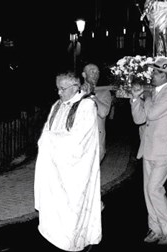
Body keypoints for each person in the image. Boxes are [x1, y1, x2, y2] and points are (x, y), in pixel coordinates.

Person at [34, 71, 101, 251]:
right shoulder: (57, 105)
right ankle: (57, 240)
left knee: (73, 212)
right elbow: (48, 131)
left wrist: (50, 141)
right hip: (56, 169)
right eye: (57, 88)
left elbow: (80, 140)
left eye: (62, 89)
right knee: (56, 208)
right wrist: (48, 141)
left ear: (74, 88)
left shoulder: (87, 106)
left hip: (75, 170)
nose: (59, 93)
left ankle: (77, 242)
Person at [130, 57, 167, 245]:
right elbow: (139, 119)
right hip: (149, 148)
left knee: (155, 189)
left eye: (156, 72)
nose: (152, 75)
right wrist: (136, 98)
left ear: (164, 75)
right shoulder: (154, 93)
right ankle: (155, 228)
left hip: (163, 149)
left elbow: (151, 114)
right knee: (148, 190)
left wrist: (148, 97)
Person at [81, 63, 113, 163]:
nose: (95, 75)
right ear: (84, 75)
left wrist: (92, 96)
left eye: (97, 72)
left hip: (96, 144)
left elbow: (103, 113)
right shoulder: (74, 92)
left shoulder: (104, 93)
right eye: (92, 71)